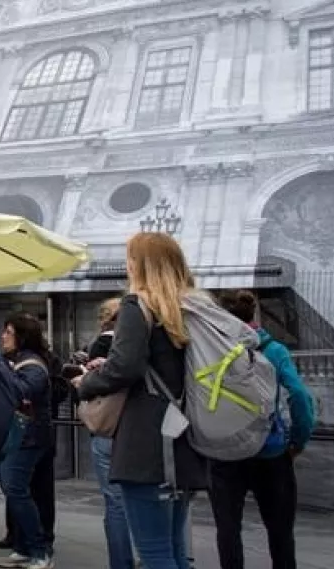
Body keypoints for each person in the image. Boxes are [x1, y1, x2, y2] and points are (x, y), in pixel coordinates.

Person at [72, 232, 208, 569]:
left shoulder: (137, 304)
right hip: (186, 437)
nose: (126, 264)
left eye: (129, 257)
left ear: (140, 264)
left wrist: (86, 382)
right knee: (175, 547)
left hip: (147, 441)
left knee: (155, 553)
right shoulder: (193, 306)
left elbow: (125, 367)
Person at [207, 290, 315, 569]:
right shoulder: (274, 350)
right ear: (253, 314)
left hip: (225, 451)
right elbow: (300, 396)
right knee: (280, 532)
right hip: (271, 450)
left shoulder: (213, 352)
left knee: (228, 530)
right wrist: (298, 440)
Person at [0, 314, 56, 569]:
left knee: (16, 489)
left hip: (27, 437)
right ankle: (22, 548)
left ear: (21, 336)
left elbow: (27, 389)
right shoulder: (19, 361)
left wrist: (3, 376)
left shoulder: (30, 364)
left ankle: (39, 551)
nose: (3, 336)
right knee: (19, 490)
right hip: (27, 435)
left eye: (8, 332)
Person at [83, 298, 134, 569]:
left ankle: (121, 562)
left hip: (108, 428)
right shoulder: (143, 342)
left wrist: (83, 380)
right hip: (140, 427)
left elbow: (95, 386)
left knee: (115, 502)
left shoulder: (103, 343)